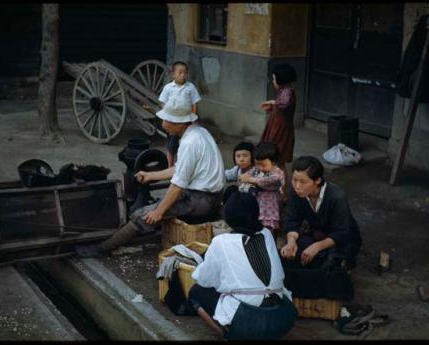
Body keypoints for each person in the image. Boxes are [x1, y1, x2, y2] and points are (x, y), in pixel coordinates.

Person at [75, 92, 224, 258]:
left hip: (202, 200)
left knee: (142, 215)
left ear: (179, 122)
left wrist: (158, 211)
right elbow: (179, 169)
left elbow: (177, 186)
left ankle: (102, 249)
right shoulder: (198, 132)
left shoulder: (190, 143)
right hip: (210, 195)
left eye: (166, 120)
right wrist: (150, 176)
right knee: (155, 209)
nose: (163, 123)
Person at [187, 191, 297, 340]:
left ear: (229, 216)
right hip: (283, 318)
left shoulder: (221, 241)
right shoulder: (267, 234)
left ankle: (227, 334)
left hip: (248, 322)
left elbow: (203, 279)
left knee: (196, 291)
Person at [280, 156, 362, 270]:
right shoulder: (295, 193)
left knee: (329, 266)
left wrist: (317, 247)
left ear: (317, 180)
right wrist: (291, 241)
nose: (297, 186)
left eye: (303, 181)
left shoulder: (336, 197)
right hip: (319, 234)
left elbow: (341, 232)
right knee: (291, 252)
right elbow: (292, 220)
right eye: (294, 180)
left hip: (343, 240)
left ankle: (345, 263)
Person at [260, 63, 297, 198]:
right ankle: (278, 190)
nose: (273, 81)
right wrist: (272, 105)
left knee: (278, 161)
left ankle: (282, 193)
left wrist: (273, 103)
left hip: (280, 131)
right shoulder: (284, 91)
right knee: (276, 161)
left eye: (274, 79)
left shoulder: (287, 92)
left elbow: (284, 104)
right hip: (277, 128)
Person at [159, 61, 202, 167]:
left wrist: (193, 119)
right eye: (180, 72)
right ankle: (170, 166)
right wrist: (165, 119)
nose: (183, 75)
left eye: (185, 73)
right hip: (172, 121)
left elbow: (194, 103)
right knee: (171, 145)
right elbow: (163, 104)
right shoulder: (168, 87)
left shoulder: (190, 87)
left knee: (185, 143)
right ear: (173, 74)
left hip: (186, 120)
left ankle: (182, 165)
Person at [238, 142, 285, 239]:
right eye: (257, 164)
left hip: (270, 205)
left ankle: (271, 244)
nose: (259, 167)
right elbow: (248, 174)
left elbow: (268, 181)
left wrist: (252, 179)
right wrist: (244, 177)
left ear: (273, 162)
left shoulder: (277, 173)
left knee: (269, 228)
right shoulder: (256, 169)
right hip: (257, 202)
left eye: (263, 165)